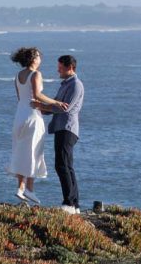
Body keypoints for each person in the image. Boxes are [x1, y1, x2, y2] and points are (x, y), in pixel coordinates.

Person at [7, 47, 61, 205]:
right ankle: (26, 189)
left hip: (19, 116)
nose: (40, 58)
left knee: (21, 150)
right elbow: (37, 95)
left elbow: (20, 98)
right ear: (33, 59)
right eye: (38, 56)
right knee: (34, 151)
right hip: (32, 116)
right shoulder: (36, 74)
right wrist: (56, 102)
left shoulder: (18, 76)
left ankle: (24, 188)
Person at [33, 55, 84, 214]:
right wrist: (40, 108)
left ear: (70, 68)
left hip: (67, 128)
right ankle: (74, 204)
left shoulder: (76, 85)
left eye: (60, 68)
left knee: (62, 165)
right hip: (62, 128)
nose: (58, 70)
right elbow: (55, 103)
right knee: (67, 166)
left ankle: (69, 203)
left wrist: (41, 105)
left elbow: (64, 108)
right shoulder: (66, 85)